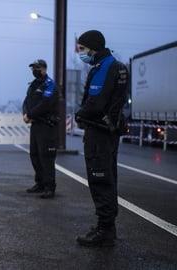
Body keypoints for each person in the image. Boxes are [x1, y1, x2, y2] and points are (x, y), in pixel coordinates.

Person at [74, 30, 128, 247]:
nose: (80, 54)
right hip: (107, 131)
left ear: (93, 48)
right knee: (107, 177)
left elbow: (95, 103)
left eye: (82, 49)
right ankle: (107, 227)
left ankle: (105, 230)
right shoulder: (110, 64)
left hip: (100, 132)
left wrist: (80, 115)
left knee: (100, 178)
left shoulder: (106, 66)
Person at [22, 59, 59, 199]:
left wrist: (30, 114)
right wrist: (26, 114)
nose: (34, 71)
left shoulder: (49, 85)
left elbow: (46, 104)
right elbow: (26, 101)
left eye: (36, 68)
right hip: (35, 125)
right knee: (35, 155)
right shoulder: (33, 85)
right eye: (32, 69)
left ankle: (50, 187)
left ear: (43, 69)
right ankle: (40, 184)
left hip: (47, 126)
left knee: (46, 157)